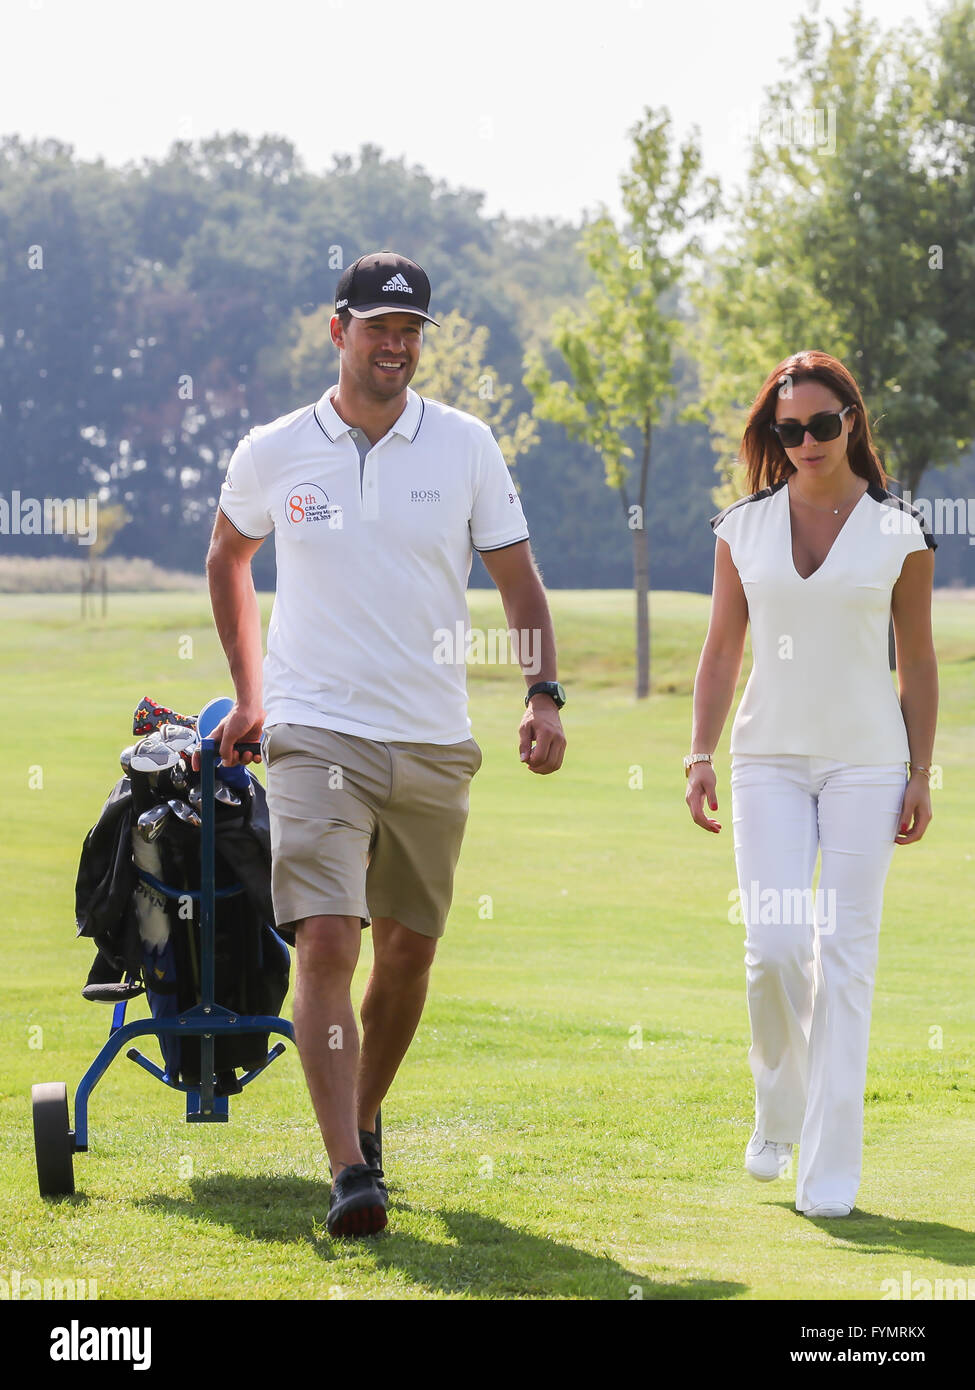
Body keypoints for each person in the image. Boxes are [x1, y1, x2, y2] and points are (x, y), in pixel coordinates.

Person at [204, 250, 567, 1236]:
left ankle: (362, 1117)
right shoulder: (276, 450)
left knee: (406, 953)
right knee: (328, 936)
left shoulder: (465, 447)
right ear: (339, 331)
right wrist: (252, 694)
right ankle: (347, 1173)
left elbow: (519, 579)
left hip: (432, 738)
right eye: (380, 328)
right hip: (315, 727)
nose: (397, 346)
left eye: (412, 331)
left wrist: (543, 691)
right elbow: (229, 557)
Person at [685, 349, 937, 1218]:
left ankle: (828, 1177)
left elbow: (918, 661)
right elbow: (720, 650)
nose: (805, 442)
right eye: (787, 430)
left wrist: (919, 772)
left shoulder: (899, 529)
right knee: (776, 950)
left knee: (846, 959)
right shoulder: (740, 528)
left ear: (851, 423)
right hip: (767, 764)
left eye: (821, 425)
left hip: (868, 764)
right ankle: (777, 1104)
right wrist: (695, 755)